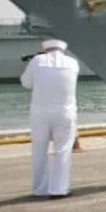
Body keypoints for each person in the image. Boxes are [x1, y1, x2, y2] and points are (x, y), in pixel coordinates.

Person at [21, 38, 80, 199]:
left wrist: (33, 64)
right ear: (62, 49)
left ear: (45, 49)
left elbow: (26, 83)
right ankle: (59, 189)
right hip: (65, 113)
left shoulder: (37, 61)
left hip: (40, 114)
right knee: (63, 151)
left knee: (39, 151)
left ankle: (40, 189)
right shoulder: (73, 63)